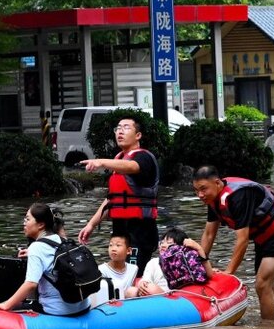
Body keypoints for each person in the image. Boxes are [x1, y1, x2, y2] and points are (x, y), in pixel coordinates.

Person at [192, 165, 274, 320]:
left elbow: (242, 240)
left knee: (263, 284)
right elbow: (209, 234)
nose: (200, 195)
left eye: (203, 189)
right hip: (264, 237)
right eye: (196, 191)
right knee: (264, 286)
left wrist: (229, 272)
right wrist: (198, 265)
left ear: (217, 183)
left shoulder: (238, 196)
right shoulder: (213, 199)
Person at [78, 116, 160, 272]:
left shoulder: (144, 158)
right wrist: (91, 224)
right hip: (120, 229)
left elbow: (133, 166)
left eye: (126, 127)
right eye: (118, 128)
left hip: (140, 230)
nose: (120, 131)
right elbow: (111, 200)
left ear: (138, 135)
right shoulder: (119, 160)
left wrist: (101, 162)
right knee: (119, 270)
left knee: (134, 272)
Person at [0, 203, 90, 316]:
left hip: (59, 310)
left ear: (40, 225)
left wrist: (5, 305)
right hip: (83, 306)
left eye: (28, 219)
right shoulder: (60, 239)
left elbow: (31, 284)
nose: (24, 223)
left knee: (6, 306)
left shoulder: (36, 247)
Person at [126, 227, 208, 297]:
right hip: (153, 292)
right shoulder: (153, 262)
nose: (163, 245)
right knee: (130, 291)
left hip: (170, 295)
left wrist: (199, 249)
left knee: (151, 288)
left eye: (169, 243)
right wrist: (142, 284)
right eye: (162, 242)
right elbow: (146, 278)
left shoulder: (184, 261)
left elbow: (200, 273)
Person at [92, 233, 139, 303]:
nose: (113, 249)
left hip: (128, 304)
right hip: (108, 305)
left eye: (118, 245)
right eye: (110, 245)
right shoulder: (101, 270)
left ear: (128, 251)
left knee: (133, 290)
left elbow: (131, 291)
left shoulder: (133, 269)